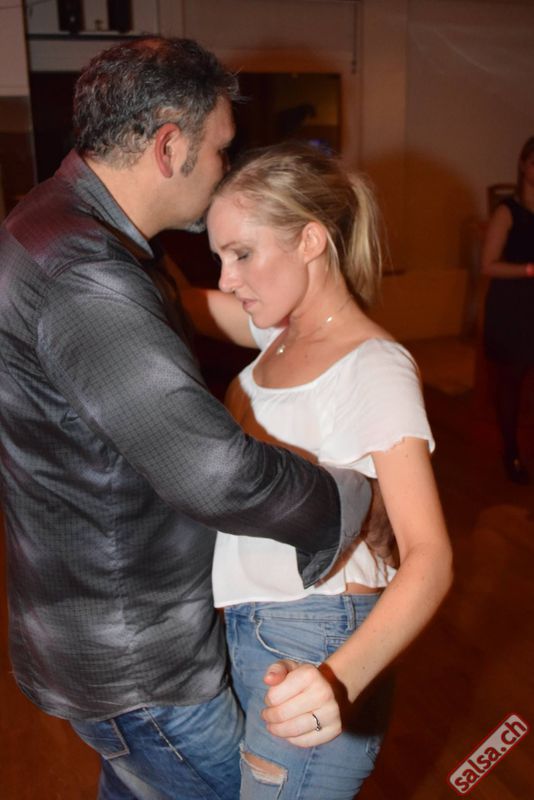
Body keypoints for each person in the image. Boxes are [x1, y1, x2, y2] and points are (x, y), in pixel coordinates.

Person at [0, 38, 380, 800]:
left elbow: (177, 316)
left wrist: (323, 327)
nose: (225, 169)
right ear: (169, 147)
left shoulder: (58, 220)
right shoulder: (84, 273)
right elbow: (215, 472)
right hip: (142, 666)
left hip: (96, 640)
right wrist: (357, 501)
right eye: (219, 149)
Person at [179, 142, 453, 799]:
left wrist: (337, 678)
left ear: (309, 240)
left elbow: (431, 556)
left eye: (242, 253)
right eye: (220, 257)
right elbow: (174, 303)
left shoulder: (374, 365)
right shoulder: (279, 335)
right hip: (254, 625)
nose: (228, 279)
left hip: (316, 633)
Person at [481, 135, 534, 485]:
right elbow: (488, 265)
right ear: (523, 165)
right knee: (511, 379)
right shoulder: (507, 210)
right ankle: (510, 451)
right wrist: (529, 270)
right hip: (513, 303)